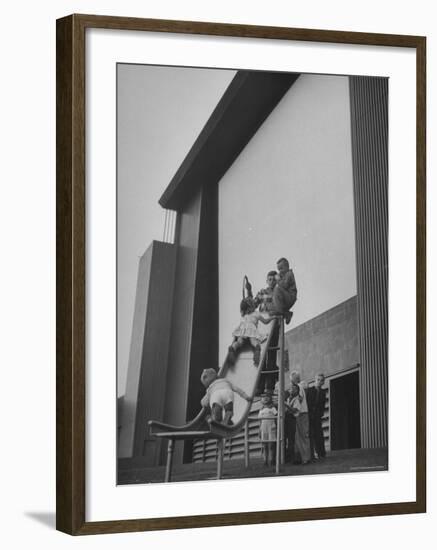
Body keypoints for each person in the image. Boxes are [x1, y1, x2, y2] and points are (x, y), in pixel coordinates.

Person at [254, 271, 280, 394]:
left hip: (274, 325)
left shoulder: (280, 292)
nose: (271, 281)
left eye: (273, 279)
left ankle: (269, 386)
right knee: (261, 355)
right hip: (263, 325)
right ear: (266, 280)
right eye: (269, 279)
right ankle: (259, 386)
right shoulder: (262, 293)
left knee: (271, 354)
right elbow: (253, 303)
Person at [228, 297, 273, 366]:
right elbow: (265, 322)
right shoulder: (256, 314)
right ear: (252, 306)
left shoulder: (243, 315)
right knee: (253, 341)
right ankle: (257, 348)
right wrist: (273, 317)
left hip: (242, 329)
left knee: (239, 342)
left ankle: (233, 348)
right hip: (251, 330)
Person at [290, 371, 311, 464]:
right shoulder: (300, 387)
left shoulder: (299, 387)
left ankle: (305, 458)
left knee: (302, 436)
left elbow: (299, 399)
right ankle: (301, 457)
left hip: (301, 413)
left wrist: (291, 403)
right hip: (301, 413)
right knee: (299, 436)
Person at [307, 373, 327, 460]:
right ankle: (312, 455)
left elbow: (322, 404)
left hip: (317, 416)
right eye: (318, 380)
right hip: (309, 416)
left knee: (319, 435)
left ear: (323, 382)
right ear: (315, 380)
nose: (319, 382)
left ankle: (321, 453)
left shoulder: (323, 392)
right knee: (310, 435)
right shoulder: (309, 390)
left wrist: (321, 414)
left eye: (321, 380)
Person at [271, 257, 297, 324]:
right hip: (286, 297)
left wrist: (278, 279)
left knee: (277, 289)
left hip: (290, 297)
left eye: (281, 268)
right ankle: (286, 313)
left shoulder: (289, 274)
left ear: (287, 267)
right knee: (275, 292)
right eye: (279, 269)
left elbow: (284, 285)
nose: (280, 271)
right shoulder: (284, 275)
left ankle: (282, 312)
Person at [258, 394, 277, 466]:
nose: (265, 398)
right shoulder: (261, 409)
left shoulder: (272, 408)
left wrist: (276, 427)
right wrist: (259, 430)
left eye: (267, 396)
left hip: (271, 427)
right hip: (263, 428)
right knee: (264, 445)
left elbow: (276, 417)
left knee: (272, 445)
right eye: (263, 397)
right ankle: (265, 460)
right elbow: (260, 420)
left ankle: (273, 460)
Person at [284, 383, 300, 463]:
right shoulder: (288, 398)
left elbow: (295, 410)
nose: (292, 390)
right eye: (291, 388)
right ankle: (285, 457)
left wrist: (287, 406)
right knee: (284, 438)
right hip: (285, 419)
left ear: (297, 391)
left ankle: (292, 458)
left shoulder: (297, 399)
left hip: (292, 419)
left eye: (294, 389)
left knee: (291, 439)